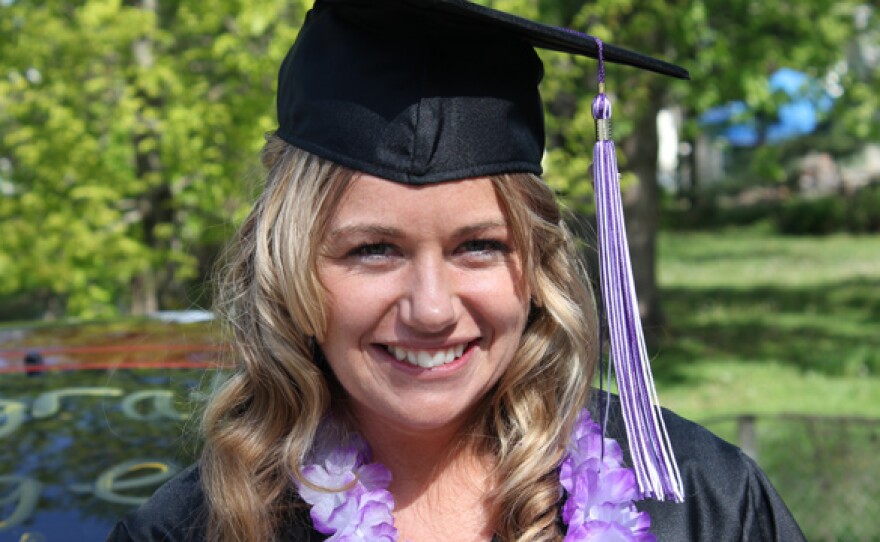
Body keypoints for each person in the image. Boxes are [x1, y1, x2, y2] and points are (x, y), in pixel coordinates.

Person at [107, 0, 805, 540]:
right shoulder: (200, 528)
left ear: (534, 267)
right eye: (372, 250)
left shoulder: (702, 502)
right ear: (289, 271)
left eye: (479, 246)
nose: (433, 309)